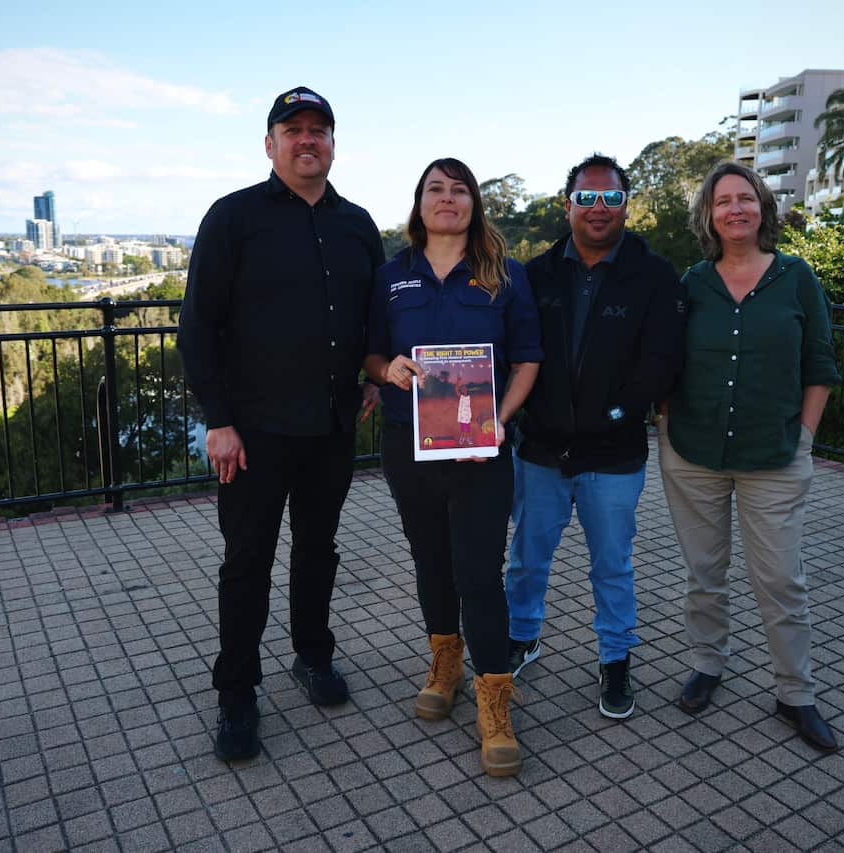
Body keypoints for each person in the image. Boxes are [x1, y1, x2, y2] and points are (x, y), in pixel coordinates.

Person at [177, 86, 385, 763]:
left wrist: (372, 374)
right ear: (269, 144)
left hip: (331, 425)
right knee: (247, 563)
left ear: (333, 145)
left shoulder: (358, 225)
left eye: (318, 129)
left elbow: (374, 316)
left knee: (318, 550)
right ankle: (237, 692)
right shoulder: (233, 217)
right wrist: (218, 421)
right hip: (254, 432)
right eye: (292, 129)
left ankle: (313, 654)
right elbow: (197, 326)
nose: (307, 139)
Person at [365, 157, 542, 776]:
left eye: (459, 189)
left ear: (474, 204)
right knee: (430, 560)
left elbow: (528, 360)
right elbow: (370, 353)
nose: (447, 198)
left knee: (479, 573)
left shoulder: (505, 275)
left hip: (480, 450)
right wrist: (385, 369)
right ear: (419, 204)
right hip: (407, 445)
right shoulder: (391, 276)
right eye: (435, 189)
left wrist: (500, 420)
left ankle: (494, 699)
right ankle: (445, 663)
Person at [658, 161, 841, 752]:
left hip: (775, 455)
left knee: (781, 580)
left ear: (763, 207)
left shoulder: (796, 277)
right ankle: (707, 664)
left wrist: (805, 438)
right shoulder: (692, 283)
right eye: (722, 201)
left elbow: (820, 364)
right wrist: (665, 423)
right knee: (704, 574)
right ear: (708, 216)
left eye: (745, 198)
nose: (734, 209)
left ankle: (796, 693)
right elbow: (663, 359)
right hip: (693, 453)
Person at [504, 153, 685, 719]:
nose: (599, 207)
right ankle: (521, 635)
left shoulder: (655, 276)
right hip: (540, 450)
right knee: (526, 558)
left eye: (611, 197)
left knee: (613, 565)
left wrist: (616, 414)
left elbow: (661, 361)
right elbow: (514, 351)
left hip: (613, 454)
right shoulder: (535, 273)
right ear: (569, 206)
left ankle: (615, 658)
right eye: (587, 197)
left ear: (627, 206)